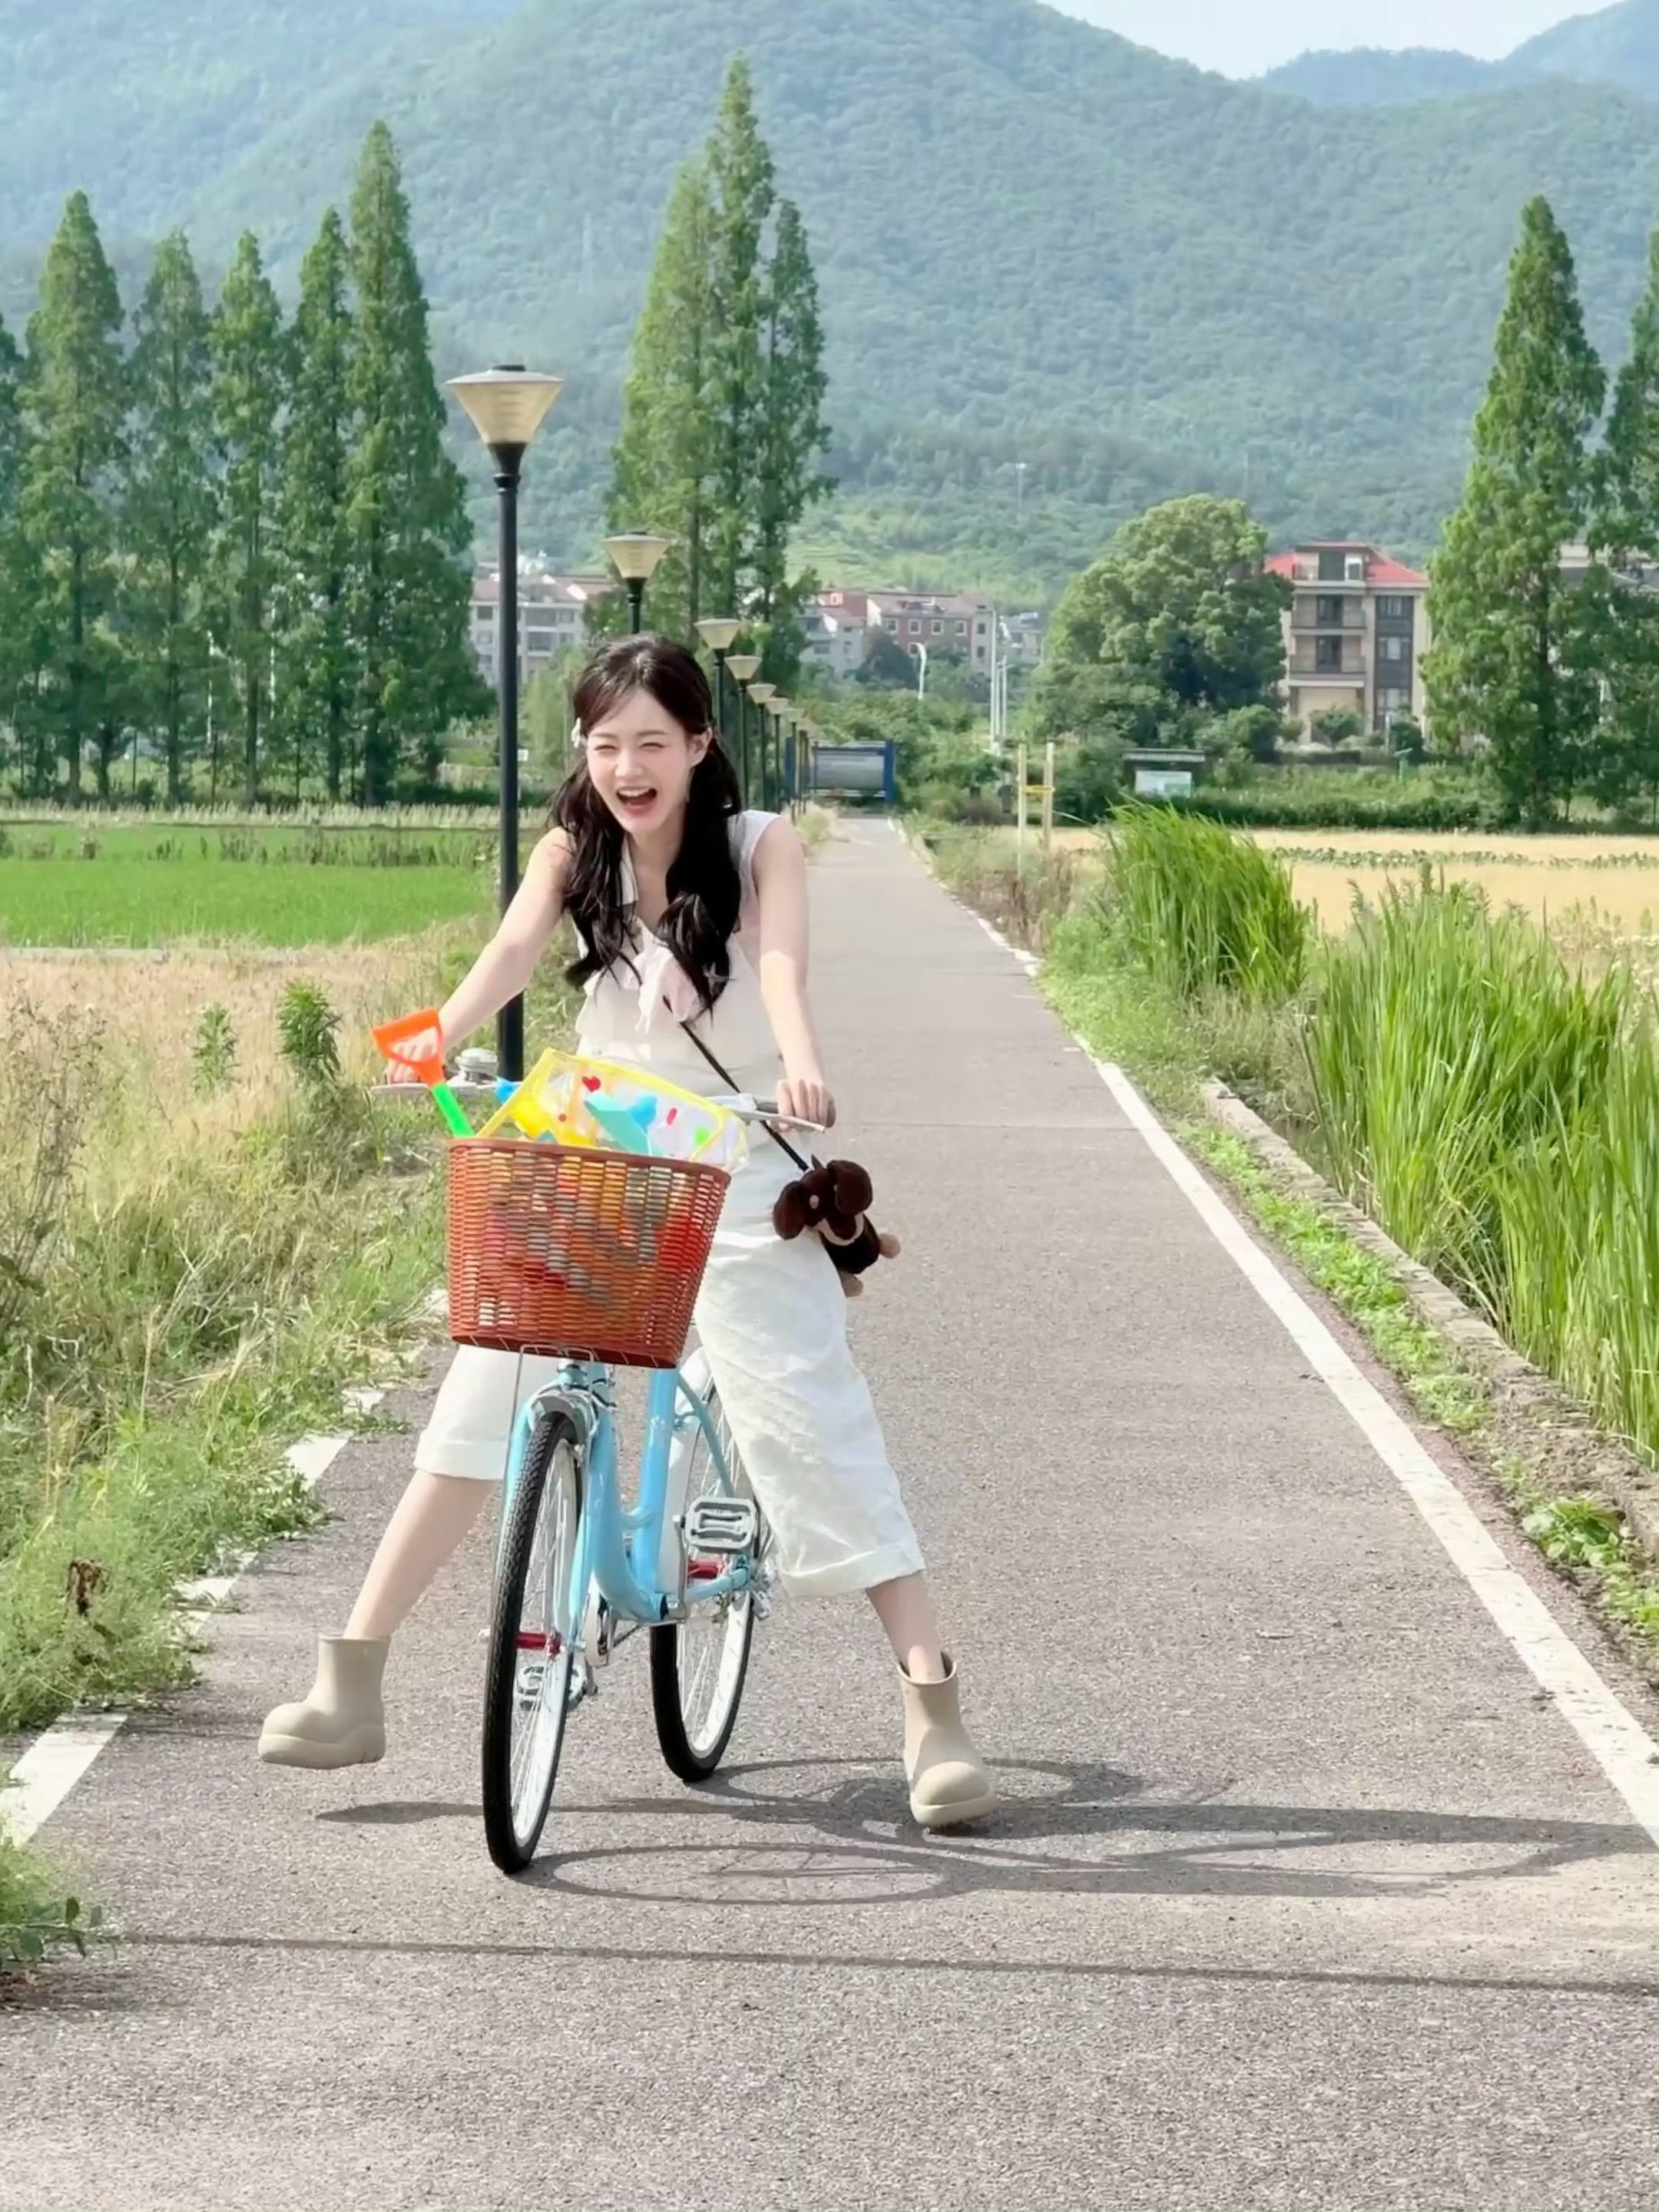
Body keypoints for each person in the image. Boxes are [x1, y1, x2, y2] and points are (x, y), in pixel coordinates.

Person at [260, 634, 995, 1829]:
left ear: (702, 744)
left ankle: (932, 1707)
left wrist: (803, 1067)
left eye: (653, 742)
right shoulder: (572, 850)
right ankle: (353, 1679)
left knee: (807, 1420)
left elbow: (785, 972)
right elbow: (510, 952)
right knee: (483, 1395)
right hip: (599, 1145)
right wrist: (437, 1034)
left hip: (738, 1149)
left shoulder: (760, 847)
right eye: (606, 745)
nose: (628, 768)